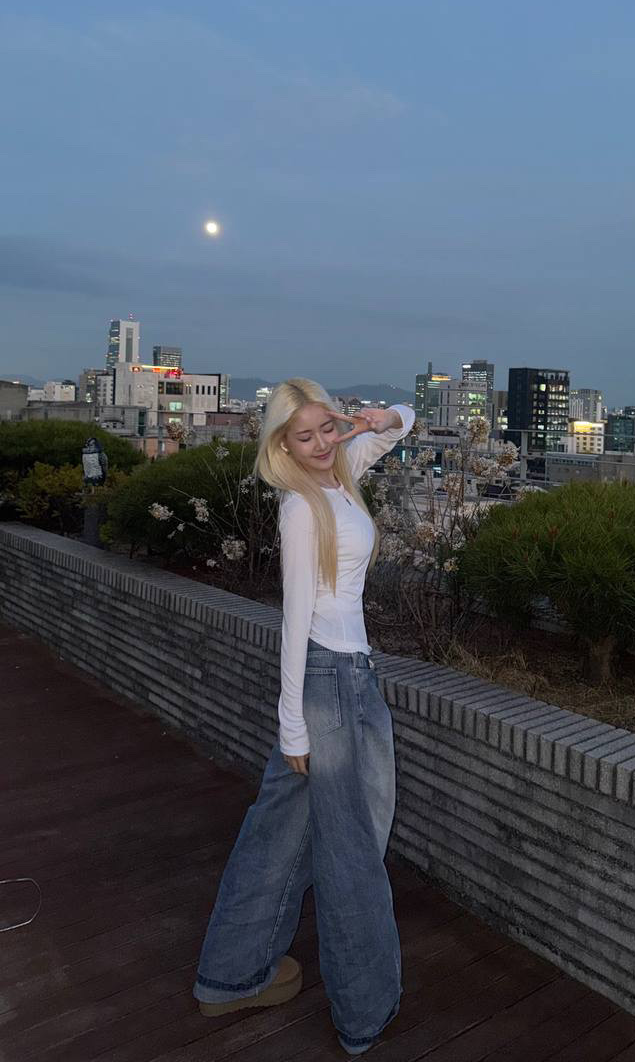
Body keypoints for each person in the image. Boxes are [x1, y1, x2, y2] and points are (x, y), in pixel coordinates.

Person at [192, 377, 415, 1056]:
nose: (319, 444)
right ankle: (364, 1013)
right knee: (352, 849)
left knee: (280, 832)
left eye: (325, 428)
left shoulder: (340, 473)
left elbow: (402, 425)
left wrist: (377, 416)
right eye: (303, 436)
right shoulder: (299, 508)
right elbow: (294, 624)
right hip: (331, 681)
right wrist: (292, 724)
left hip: (342, 677)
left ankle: (229, 975)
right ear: (282, 444)